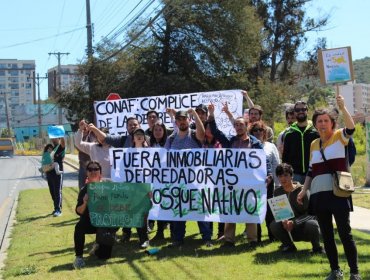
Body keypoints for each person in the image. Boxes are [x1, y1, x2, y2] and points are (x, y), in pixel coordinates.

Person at [297, 95, 361, 280]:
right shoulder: (313, 144)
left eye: (326, 121)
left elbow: (351, 127)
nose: (323, 124)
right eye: (319, 121)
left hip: (338, 193)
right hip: (318, 194)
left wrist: (343, 108)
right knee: (327, 234)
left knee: (345, 233)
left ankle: (355, 272)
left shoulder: (340, 136)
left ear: (332, 123)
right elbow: (310, 171)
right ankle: (335, 271)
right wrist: (303, 190)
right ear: (315, 125)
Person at [208, 103, 272, 247]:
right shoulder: (230, 141)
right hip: (232, 184)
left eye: (241, 125)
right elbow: (216, 132)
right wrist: (211, 114)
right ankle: (229, 240)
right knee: (231, 210)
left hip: (249, 183)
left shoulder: (255, 143)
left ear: (246, 126)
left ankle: (252, 240)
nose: (238, 127)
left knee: (250, 209)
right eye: (236, 125)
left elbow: (264, 160)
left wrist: (268, 174)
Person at [164, 109, 213, 248]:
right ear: (176, 122)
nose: (182, 122)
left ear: (188, 120)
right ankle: (178, 238)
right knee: (180, 211)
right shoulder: (171, 139)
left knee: (200, 210)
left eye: (184, 119)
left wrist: (194, 114)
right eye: (179, 119)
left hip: (196, 182)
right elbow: (164, 159)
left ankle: (207, 238)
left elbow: (202, 133)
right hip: (178, 182)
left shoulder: (194, 135)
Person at [269, 163, 323, 254]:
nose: (283, 178)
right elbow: (280, 214)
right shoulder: (277, 192)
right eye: (280, 176)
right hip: (288, 230)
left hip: (305, 228)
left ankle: (317, 248)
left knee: (312, 224)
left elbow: (312, 215)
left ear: (292, 176)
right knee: (274, 225)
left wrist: (294, 222)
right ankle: (288, 246)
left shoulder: (303, 191)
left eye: (286, 175)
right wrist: (283, 221)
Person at [73, 161, 116, 269]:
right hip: (90, 222)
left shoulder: (109, 185)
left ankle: (98, 244)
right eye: (90, 169)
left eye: (96, 169)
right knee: (79, 227)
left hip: (105, 223)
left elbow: (125, 198)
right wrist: (85, 202)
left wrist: (144, 193)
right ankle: (79, 257)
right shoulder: (84, 190)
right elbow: (78, 211)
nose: (93, 171)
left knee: (103, 256)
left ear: (100, 172)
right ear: (87, 173)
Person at [249, 121, 280, 242]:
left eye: (260, 130)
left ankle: (273, 235)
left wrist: (276, 182)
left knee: (269, 210)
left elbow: (276, 164)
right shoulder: (248, 146)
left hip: (269, 183)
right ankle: (257, 238)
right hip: (252, 184)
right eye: (254, 130)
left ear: (264, 132)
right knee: (255, 210)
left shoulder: (270, 146)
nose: (257, 132)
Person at [121, 128, 151, 248]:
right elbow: (123, 171)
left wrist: (150, 189)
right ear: (133, 138)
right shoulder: (127, 152)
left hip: (144, 189)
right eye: (136, 134)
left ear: (144, 137)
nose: (139, 136)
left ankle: (144, 239)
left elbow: (152, 172)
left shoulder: (150, 152)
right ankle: (126, 234)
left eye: (141, 134)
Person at [283, 101, 319, 184]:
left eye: (303, 109)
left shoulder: (316, 131)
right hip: (295, 174)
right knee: (296, 197)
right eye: (298, 110)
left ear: (307, 111)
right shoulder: (289, 133)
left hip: (313, 173)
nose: (300, 111)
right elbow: (285, 157)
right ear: (294, 112)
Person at [149, 121, 171, 241]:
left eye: (160, 130)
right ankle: (160, 232)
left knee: (165, 205)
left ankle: (167, 231)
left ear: (164, 131)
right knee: (156, 205)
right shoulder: (149, 144)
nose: (157, 132)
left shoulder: (169, 143)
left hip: (167, 179)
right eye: (155, 130)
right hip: (153, 179)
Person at [203, 120, 224, 240]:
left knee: (220, 205)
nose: (209, 130)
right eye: (207, 128)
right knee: (208, 205)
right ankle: (208, 232)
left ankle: (221, 232)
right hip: (206, 179)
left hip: (219, 179)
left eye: (212, 128)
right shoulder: (202, 143)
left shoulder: (220, 142)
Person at [46, 137, 65, 217]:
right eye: (53, 138)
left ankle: (58, 209)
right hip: (49, 172)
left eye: (56, 138)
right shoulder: (49, 147)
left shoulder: (60, 147)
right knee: (52, 191)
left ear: (59, 138)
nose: (54, 139)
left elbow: (64, 143)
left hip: (57, 173)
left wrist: (61, 135)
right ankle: (55, 207)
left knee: (57, 191)